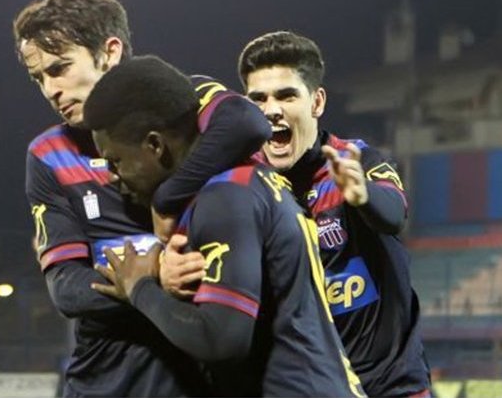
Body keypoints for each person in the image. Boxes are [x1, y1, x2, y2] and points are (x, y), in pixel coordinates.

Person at [12, 0, 270, 396]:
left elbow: (249, 123)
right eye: (38, 77)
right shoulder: (49, 154)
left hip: (204, 374)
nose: (49, 90)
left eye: (59, 68)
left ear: (110, 52)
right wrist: (151, 275)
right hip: (106, 380)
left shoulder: (181, 102)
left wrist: (167, 199)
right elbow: (66, 288)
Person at [83, 54, 366, 397]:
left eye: (116, 161)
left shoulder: (224, 197)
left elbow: (222, 340)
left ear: (155, 145)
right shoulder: (243, 181)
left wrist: (140, 289)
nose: (113, 176)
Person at [236, 31, 431, 397]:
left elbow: (393, 214)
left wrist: (362, 195)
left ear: (317, 102)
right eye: (258, 98)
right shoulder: (246, 185)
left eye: (286, 95)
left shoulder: (357, 160)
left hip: (389, 387)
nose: (271, 109)